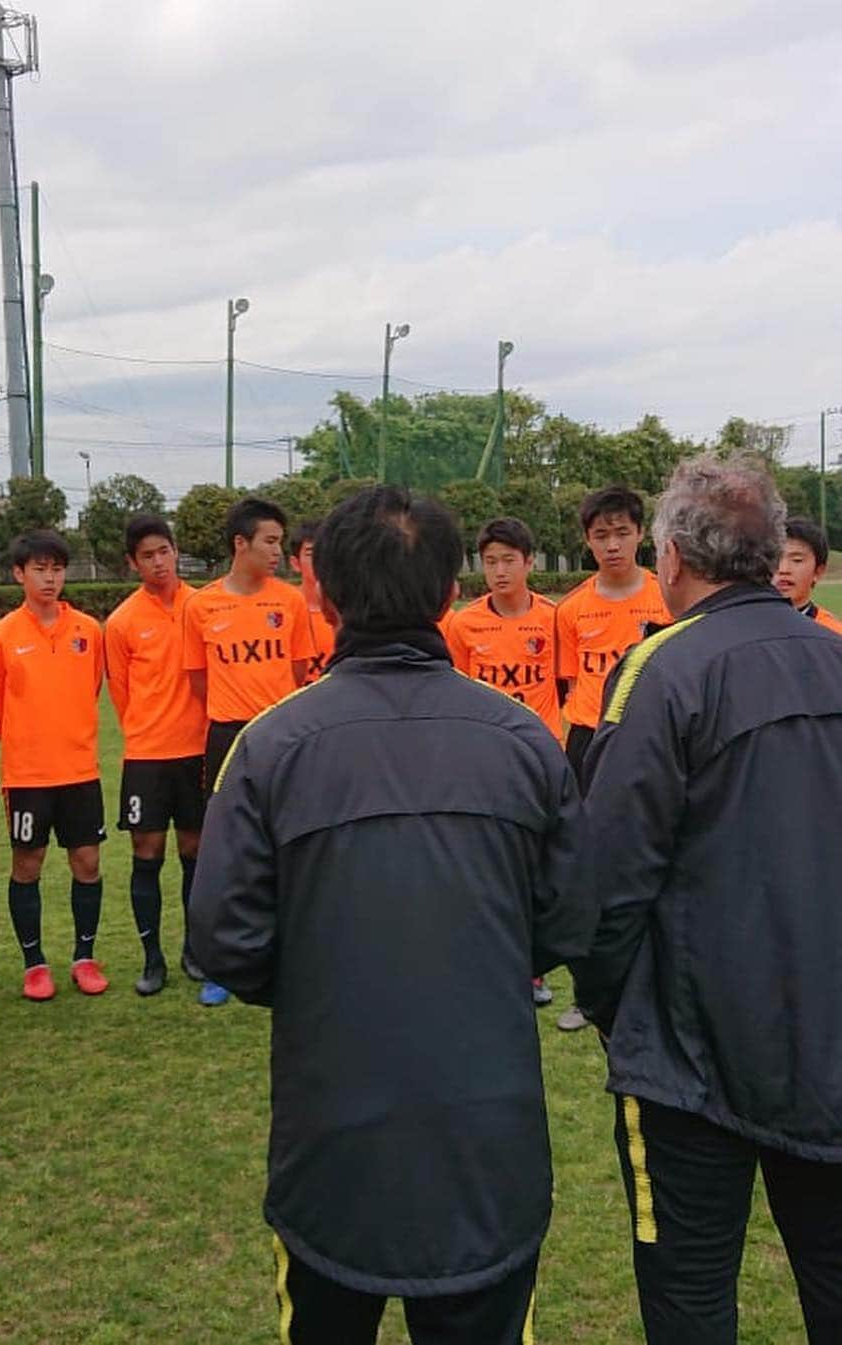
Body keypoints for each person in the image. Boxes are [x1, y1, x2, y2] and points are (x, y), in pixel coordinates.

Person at [190, 486, 594, 1345]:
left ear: (324, 598)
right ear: (450, 596)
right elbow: (569, 917)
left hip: (337, 1141)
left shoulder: (269, 744)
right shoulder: (527, 740)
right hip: (482, 1147)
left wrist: (329, 980)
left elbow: (224, 935)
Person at [573, 455, 842, 1345]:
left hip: (690, 1059)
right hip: (796, 1038)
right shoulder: (830, 656)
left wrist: (617, 1009)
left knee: (690, 1297)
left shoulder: (661, 667)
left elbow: (606, 879)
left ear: (675, 558)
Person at [182, 496, 314, 1007]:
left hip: (282, 733)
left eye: (281, 543)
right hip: (226, 736)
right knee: (230, 845)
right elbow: (197, 679)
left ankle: (291, 948)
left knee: (290, 840)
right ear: (241, 544)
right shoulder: (201, 605)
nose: (280, 552)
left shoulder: (290, 601)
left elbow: (300, 673)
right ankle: (221, 964)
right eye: (271, 542)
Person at [555, 485, 669, 1031]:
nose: (613, 545)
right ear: (587, 542)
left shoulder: (666, 597)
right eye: (601, 535)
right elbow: (566, 682)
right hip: (588, 740)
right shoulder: (572, 608)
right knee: (590, 861)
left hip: (652, 739)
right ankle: (588, 987)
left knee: (656, 854)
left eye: (622, 532)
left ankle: (661, 972)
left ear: (642, 534)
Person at [0, 530, 108, 1000]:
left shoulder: (88, 631)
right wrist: (28, 744)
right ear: (19, 574)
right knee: (27, 865)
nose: (50, 578)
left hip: (80, 772)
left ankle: (85, 956)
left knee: (88, 862)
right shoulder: (1, 637)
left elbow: (92, 688)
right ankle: (34, 964)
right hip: (28, 775)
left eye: (56, 568)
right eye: (39, 569)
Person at [446, 515, 561, 1008]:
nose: (499, 571)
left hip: (540, 754)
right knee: (490, 859)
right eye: (490, 562)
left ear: (529, 563)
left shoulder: (554, 618)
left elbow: (564, 684)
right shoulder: (463, 623)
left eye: (508, 560)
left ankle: (533, 967)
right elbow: (458, 692)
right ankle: (487, 957)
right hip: (486, 756)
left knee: (539, 861)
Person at [105, 515, 208, 996]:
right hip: (147, 755)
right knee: (147, 853)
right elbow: (121, 694)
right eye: (147, 555)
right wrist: (149, 731)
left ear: (176, 550)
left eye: (164, 551)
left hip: (198, 750)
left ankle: (194, 949)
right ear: (133, 563)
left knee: (196, 851)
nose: (159, 562)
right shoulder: (123, 621)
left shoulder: (203, 606)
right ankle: (152, 960)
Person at [772, 516, 842, 634]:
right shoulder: (744, 625)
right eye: (775, 558)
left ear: (818, 571)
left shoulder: (833, 633)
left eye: (797, 560)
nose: (783, 569)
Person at [288, 520, 335, 683]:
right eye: (310, 553)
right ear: (295, 563)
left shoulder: (351, 611)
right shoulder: (282, 609)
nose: (320, 561)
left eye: (326, 553)